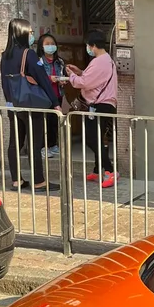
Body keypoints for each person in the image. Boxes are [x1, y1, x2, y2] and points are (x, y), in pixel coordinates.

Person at [0, 18, 61, 191]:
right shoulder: (29, 54)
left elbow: (5, 83)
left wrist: (10, 102)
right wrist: (55, 103)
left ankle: (16, 181)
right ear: (23, 33)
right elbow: (43, 79)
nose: (32, 35)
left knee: (15, 143)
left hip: (14, 104)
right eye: (30, 32)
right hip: (31, 105)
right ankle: (39, 181)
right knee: (35, 143)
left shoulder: (5, 55)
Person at [66, 31, 118, 189]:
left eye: (88, 45)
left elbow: (85, 82)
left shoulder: (99, 61)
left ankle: (109, 170)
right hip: (106, 104)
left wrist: (71, 76)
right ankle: (97, 170)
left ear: (93, 46)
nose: (88, 48)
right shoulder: (106, 60)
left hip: (99, 105)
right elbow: (93, 78)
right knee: (98, 137)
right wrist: (80, 72)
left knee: (91, 138)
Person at [36, 34, 66, 158]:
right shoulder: (38, 61)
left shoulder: (60, 62)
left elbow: (62, 74)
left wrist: (63, 81)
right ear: (41, 47)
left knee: (54, 122)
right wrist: (49, 79)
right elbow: (37, 78)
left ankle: (53, 145)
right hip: (44, 96)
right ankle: (43, 147)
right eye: (47, 44)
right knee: (44, 122)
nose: (50, 46)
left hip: (57, 95)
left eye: (52, 43)